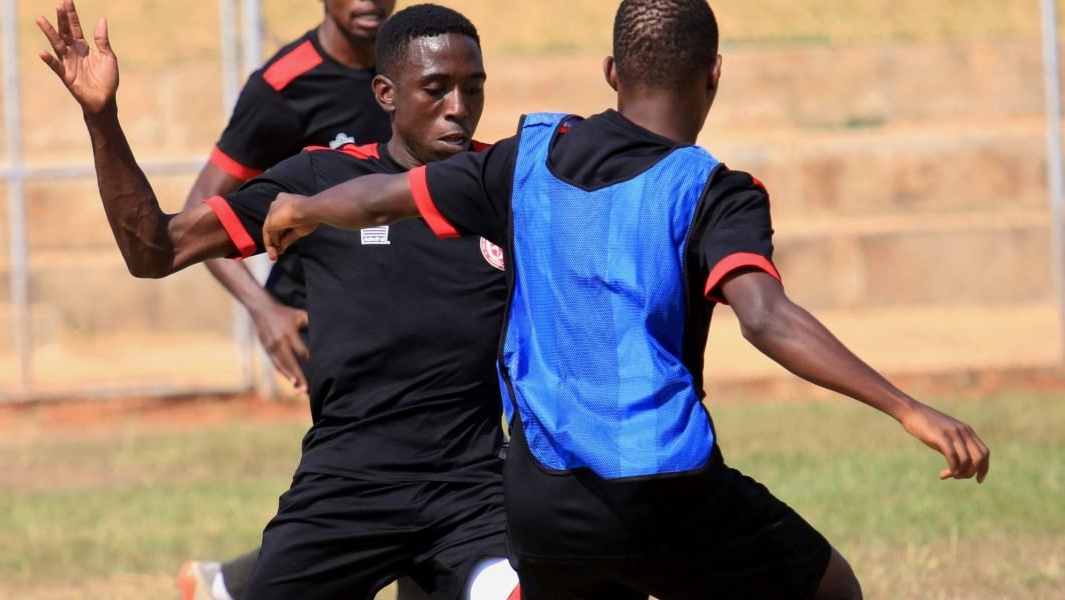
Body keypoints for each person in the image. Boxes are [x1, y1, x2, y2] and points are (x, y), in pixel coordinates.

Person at [258, 0, 993, 598]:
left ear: (612, 72)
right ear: (714, 74)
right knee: (832, 591)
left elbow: (384, 197)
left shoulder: (525, 159)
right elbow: (765, 319)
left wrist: (304, 209)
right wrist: (908, 406)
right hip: (666, 493)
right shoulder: (714, 190)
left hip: (542, 504)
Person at [34, 2, 521, 598]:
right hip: (347, 489)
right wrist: (102, 119)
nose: (459, 108)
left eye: (474, 89)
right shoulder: (320, 183)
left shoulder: (504, 185)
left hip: (473, 491)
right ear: (386, 93)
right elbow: (154, 250)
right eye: (437, 89)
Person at [174, 1, 396, 598]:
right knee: (402, 473)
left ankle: (231, 583)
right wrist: (261, 307)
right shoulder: (283, 86)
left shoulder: (416, 65)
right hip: (323, 314)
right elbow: (199, 214)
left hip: (410, 301)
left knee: (398, 484)